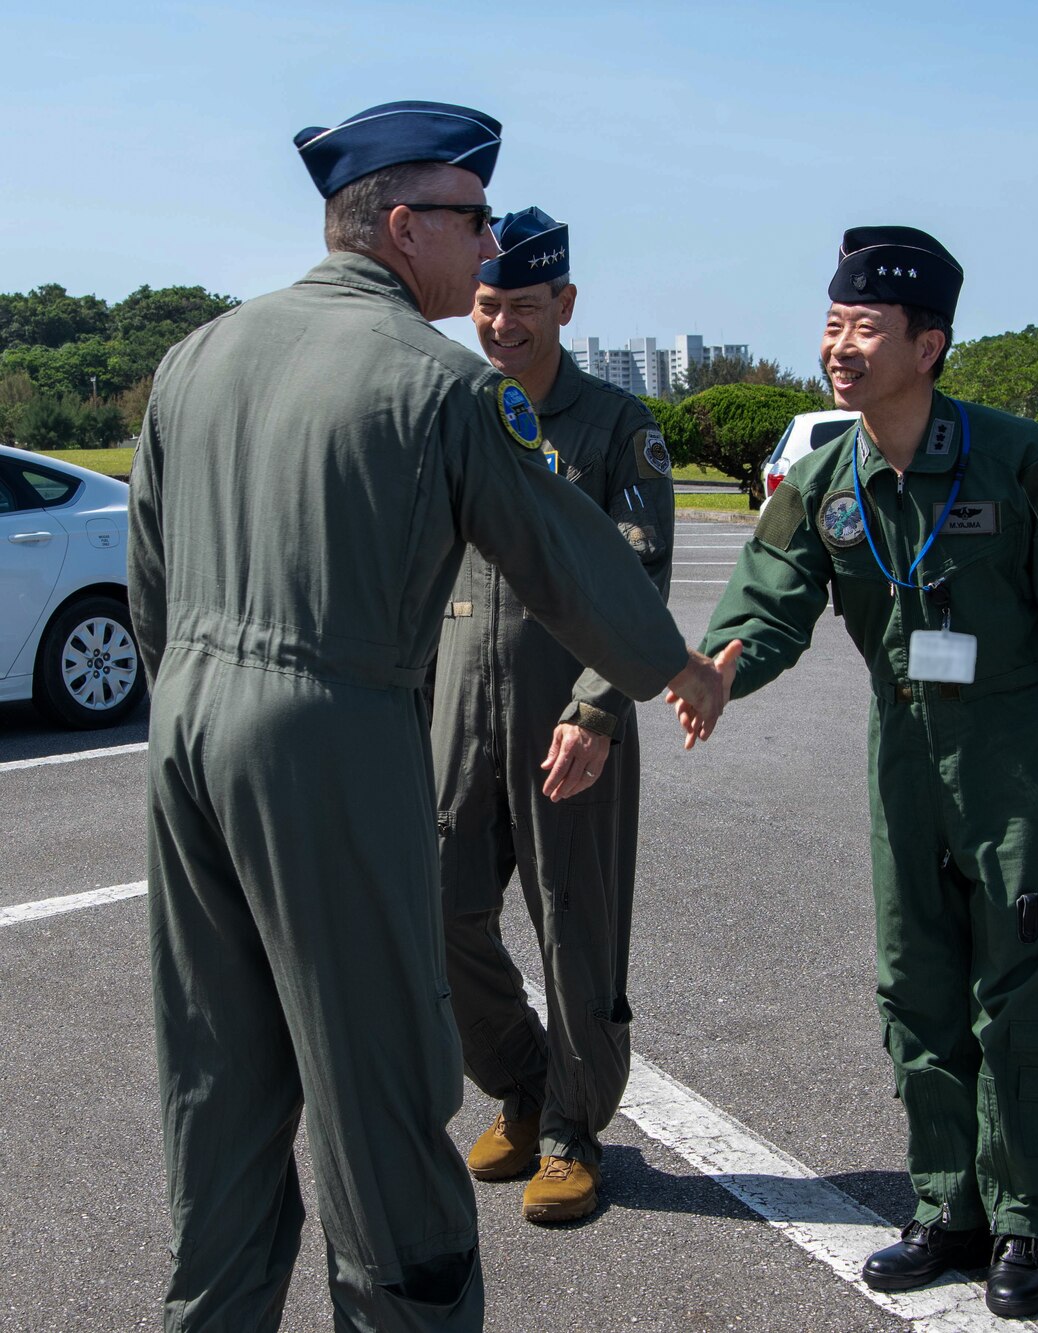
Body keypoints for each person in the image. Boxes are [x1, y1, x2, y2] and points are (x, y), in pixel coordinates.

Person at [127, 102, 728, 1329]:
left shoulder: (200, 354)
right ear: (404, 227)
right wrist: (676, 664)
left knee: (220, 1078)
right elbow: (568, 555)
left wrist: (206, 707)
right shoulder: (439, 381)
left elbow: (151, 586)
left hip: (185, 733)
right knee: (382, 1082)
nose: (486, 242)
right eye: (471, 218)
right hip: (329, 736)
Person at [680, 226, 1038, 1320]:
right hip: (901, 756)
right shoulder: (826, 475)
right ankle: (945, 1205)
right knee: (914, 985)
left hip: (1010, 750)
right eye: (832, 325)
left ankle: (1023, 1218)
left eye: (864, 329)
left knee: (1015, 989)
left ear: (927, 345)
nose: (840, 346)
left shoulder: (1014, 459)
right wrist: (722, 666)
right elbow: (771, 594)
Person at [433, 207, 683, 1224]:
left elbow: (635, 572)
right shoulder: (457, 410)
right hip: (457, 701)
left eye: (523, 308)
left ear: (565, 305)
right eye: (487, 306)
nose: (501, 327)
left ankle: (576, 1128)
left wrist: (595, 709)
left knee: (574, 925)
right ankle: (525, 1084)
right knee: (437, 908)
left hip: (567, 711)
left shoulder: (616, 429)